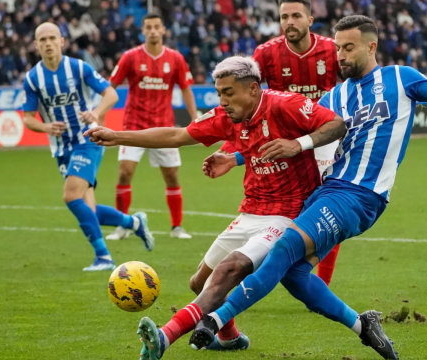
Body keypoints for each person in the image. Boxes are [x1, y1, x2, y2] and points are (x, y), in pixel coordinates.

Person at [189, 15, 427, 359]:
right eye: (338, 48)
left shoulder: (401, 78)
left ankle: (215, 318)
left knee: (282, 249)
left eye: (349, 47)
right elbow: (289, 137)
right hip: (327, 190)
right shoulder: (335, 96)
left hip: (361, 195)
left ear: (371, 46)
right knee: (294, 275)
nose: (340, 55)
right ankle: (363, 325)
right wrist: (233, 158)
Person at [83, 55, 346, 358]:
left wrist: (298, 144)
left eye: (228, 93)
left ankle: (165, 336)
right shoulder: (226, 117)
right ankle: (231, 338)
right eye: (219, 93)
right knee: (199, 282)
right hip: (252, 210)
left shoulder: (284, 105)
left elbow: (336, 124)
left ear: (253, 89)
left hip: (290, 213)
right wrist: (116, 136)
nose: (222, 101)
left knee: (229, 269)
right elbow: (177, 135)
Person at [220, 0, 343, 286]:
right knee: (269, 210)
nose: (289, 21)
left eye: (296, 15)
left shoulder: (330, 49)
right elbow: (246, 97)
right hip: (279, 140)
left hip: (320, 136)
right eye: (284, 16)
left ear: (310, 19)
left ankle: (321, 284)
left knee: (327, 208)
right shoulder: (266, 53)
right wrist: (233, 149)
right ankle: (247, 268)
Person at [21, 23, 154, 271]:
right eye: (42, 40)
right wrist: (46, 128)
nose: (48, 43)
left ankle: (104, 257)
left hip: (88, 139)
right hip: (61, 148)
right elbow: (28, 117)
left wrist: (95, 112)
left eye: (52, 38)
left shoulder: (78, 67)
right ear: (36, 45)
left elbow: (111, 95)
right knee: (89, 209)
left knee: (70, 195)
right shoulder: (33, 78)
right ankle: (134, 223)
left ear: (62, 41)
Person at [106, 13, 197, 241]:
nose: (153, 31)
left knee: (172, 177)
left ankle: (177, 227)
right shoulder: (130, 57)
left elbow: (186, 89)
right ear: (143, 30)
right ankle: (122, 225)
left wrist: (195, 118)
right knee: (125, 173)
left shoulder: (175, 59)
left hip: (164, 128)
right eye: (149, 27)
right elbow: (111, 86)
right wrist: (99, 114)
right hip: (133, 126)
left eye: (157, 27)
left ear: (164, 29)